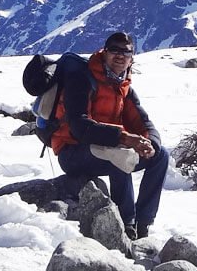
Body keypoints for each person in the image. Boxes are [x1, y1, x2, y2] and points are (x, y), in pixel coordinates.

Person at [50, 31, 169, 240]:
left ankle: (144, 223)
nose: (120, 56)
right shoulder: (82, 80)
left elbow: (144, 123)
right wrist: (123, 138)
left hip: (105, 150)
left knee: (161, 156)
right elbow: (79, 126)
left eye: (126, 52)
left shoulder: (124, 89)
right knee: (119, 156)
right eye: (114, 50)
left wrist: (151, 143)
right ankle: (126, 225)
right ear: (104, 53)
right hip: (72, 152)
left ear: (132, 58)